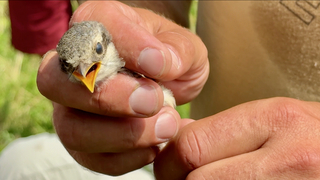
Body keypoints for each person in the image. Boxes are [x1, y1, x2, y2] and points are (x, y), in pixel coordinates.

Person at [36, 1, 320, 179]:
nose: (86, 71)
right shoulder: (117, 71)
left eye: (97, 52)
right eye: (73, 68)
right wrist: (135, 18)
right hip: (178, 159)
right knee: (23, 165)